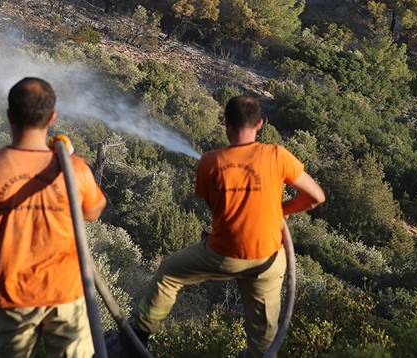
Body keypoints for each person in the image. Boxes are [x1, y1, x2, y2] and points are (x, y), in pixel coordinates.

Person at [130, 95, 325, 358]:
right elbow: (316, 197)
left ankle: (138, 336)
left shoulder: (210, 162)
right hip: (268, 258)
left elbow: (214, 206)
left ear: (226, 124)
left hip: (224, 255)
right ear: (260, 125)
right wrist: (282, 210)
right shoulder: (277, 155)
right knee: (264, 340)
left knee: (169, 274)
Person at [0, 77, 107, 358]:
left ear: (9, 115)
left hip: (13, 295)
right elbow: (94, 212)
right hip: (66, 294)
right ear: (52, 117)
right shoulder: (73, 168)